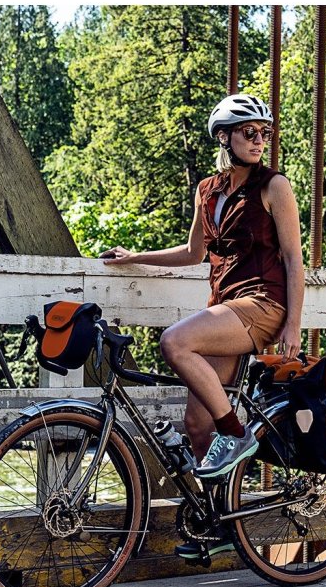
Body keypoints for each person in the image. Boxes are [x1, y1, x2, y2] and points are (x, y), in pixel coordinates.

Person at [101, 93, 304, 484]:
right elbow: (193, 253)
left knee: (174, 341)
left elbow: (295, 259)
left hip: (263, 303)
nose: (259, 140)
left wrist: (293, 324)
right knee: (196, 426)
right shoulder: (207, 190)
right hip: (226, 307)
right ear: (224, 137)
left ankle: (235, 433)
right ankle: (215, 519)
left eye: (264, 133)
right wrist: (135, 257)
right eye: (249, 132)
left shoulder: (274, 186)